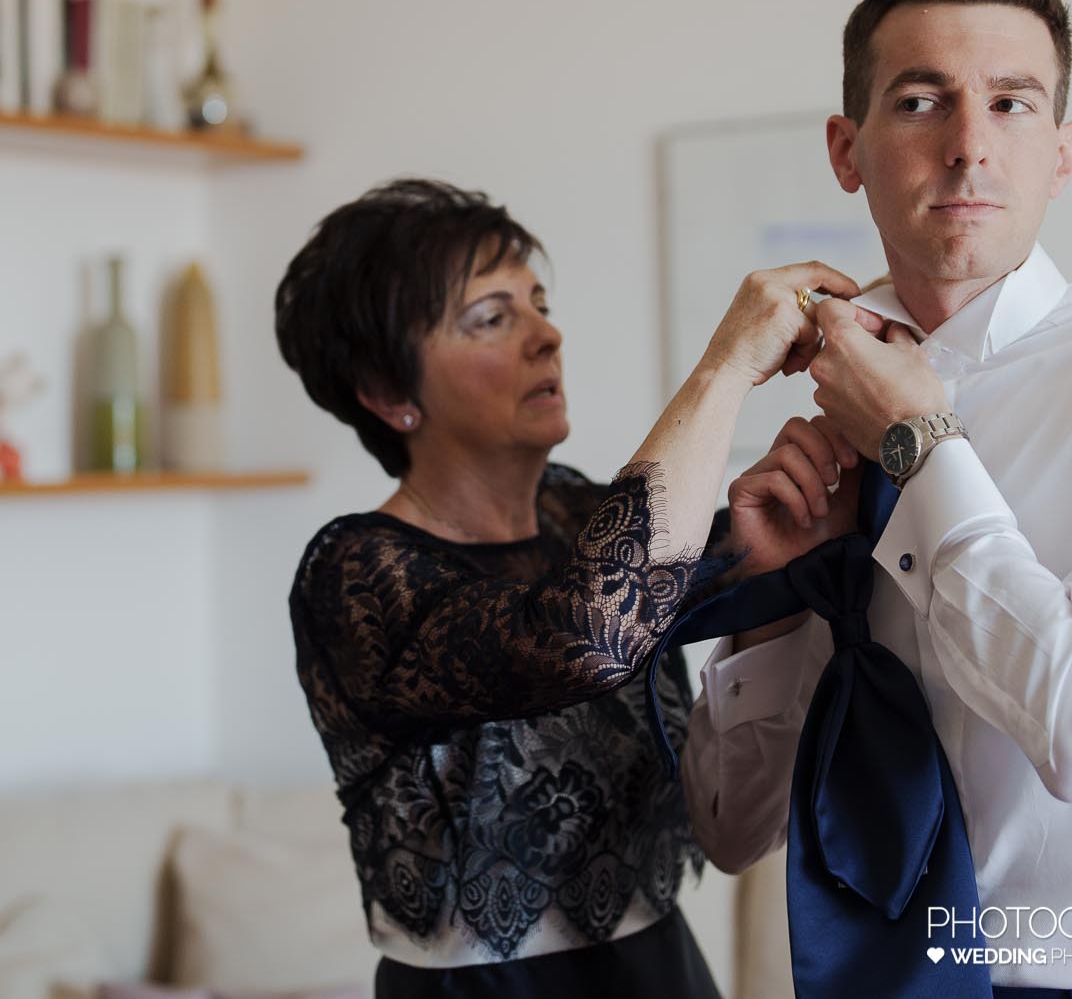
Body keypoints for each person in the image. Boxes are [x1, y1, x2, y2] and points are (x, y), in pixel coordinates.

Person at [683, 0, 1072, 997]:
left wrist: (920, 451)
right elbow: (730, 830)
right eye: (919, 101)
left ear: (1062, 150)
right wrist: (767, 610)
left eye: (1011, 104)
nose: (968, 147)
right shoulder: (819, 422)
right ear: (844, 146)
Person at [275, 178, 875, 999]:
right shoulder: (355, 572)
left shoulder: (588, 517)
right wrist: (728, 364)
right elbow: (591, 632)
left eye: (538, 303)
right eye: (491, 317)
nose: (547, 335)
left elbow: (734, 802)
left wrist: (769, 573)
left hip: (663, 971)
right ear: (388, 395)